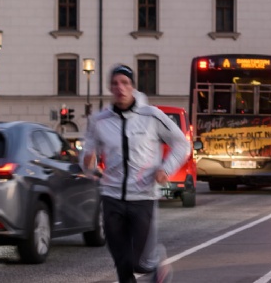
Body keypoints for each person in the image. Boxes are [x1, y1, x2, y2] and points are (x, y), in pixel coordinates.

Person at [81, 64, 191, 283]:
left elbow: (182, 145)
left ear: (133, 87)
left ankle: (158, 265)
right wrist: (88, 163)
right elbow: (87, 155)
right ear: (110, 88)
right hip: (112, 197)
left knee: (139, 262)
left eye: (125, 83)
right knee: (122, 263)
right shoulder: (99, 121)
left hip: (142, 197)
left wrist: (166, 169)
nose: (120, 88)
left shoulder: (152, 116)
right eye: (115, 83)